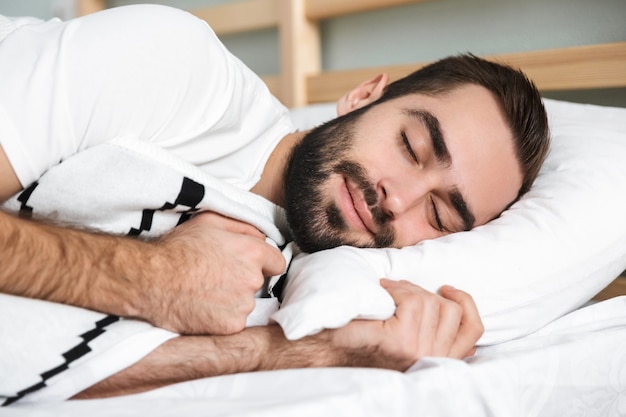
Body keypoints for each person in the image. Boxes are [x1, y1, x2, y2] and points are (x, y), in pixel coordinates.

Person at [0, 4, 549, 398]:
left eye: (439, 214)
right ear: (364, 97)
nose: (398, 200)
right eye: (411, 146)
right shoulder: (176, 68)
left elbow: (47, 364)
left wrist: (299, 355)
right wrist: (152, 277)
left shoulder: (291, 283)